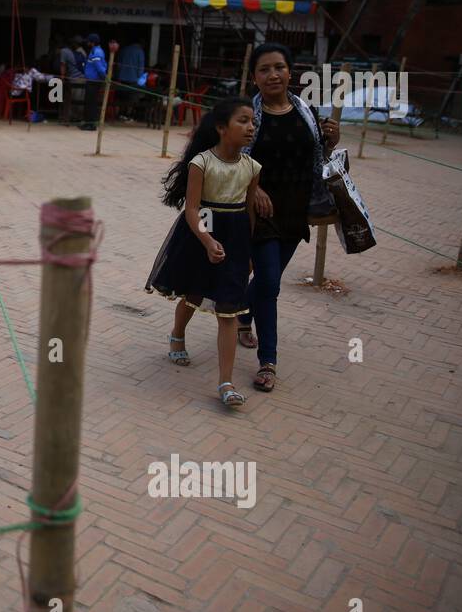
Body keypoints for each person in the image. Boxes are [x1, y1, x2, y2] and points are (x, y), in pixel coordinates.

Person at [236, 43, 341, 393]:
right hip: (259, 209)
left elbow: (313, 159)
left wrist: (330, 142)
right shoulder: (246, 114)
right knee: (269, 282)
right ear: (254, 76)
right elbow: (232, 157)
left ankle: (242, 314)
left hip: (296, 210)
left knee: (268, 280)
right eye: (264, 69)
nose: (273, 75)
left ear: (290, 73)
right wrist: (255, 188)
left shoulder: (306, 112)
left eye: (279, 67)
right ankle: (269, 361)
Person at [145, 98, 262, 408]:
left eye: (253, 121)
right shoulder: (201, 163)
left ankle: (226, 383)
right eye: (243, 120)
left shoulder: (252, 167)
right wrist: (208, 241)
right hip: (201, 232)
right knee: (194, 295)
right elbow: (192, 209)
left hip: (235, 238)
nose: (251, 127)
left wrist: (248, 251)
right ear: (222, 128)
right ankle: (177, 334)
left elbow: (249, 212)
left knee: (229, 311)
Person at [80, 32, 107, 131]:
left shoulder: (97, 52)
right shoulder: (94, 51)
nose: (87, 43)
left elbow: (99, 68)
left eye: (88, 42)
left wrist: (105, 78)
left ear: (92, 42)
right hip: (91, 80)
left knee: (91, 103)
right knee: (89, 102)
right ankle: (87, 123)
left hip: (94, 81)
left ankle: (91, 125)